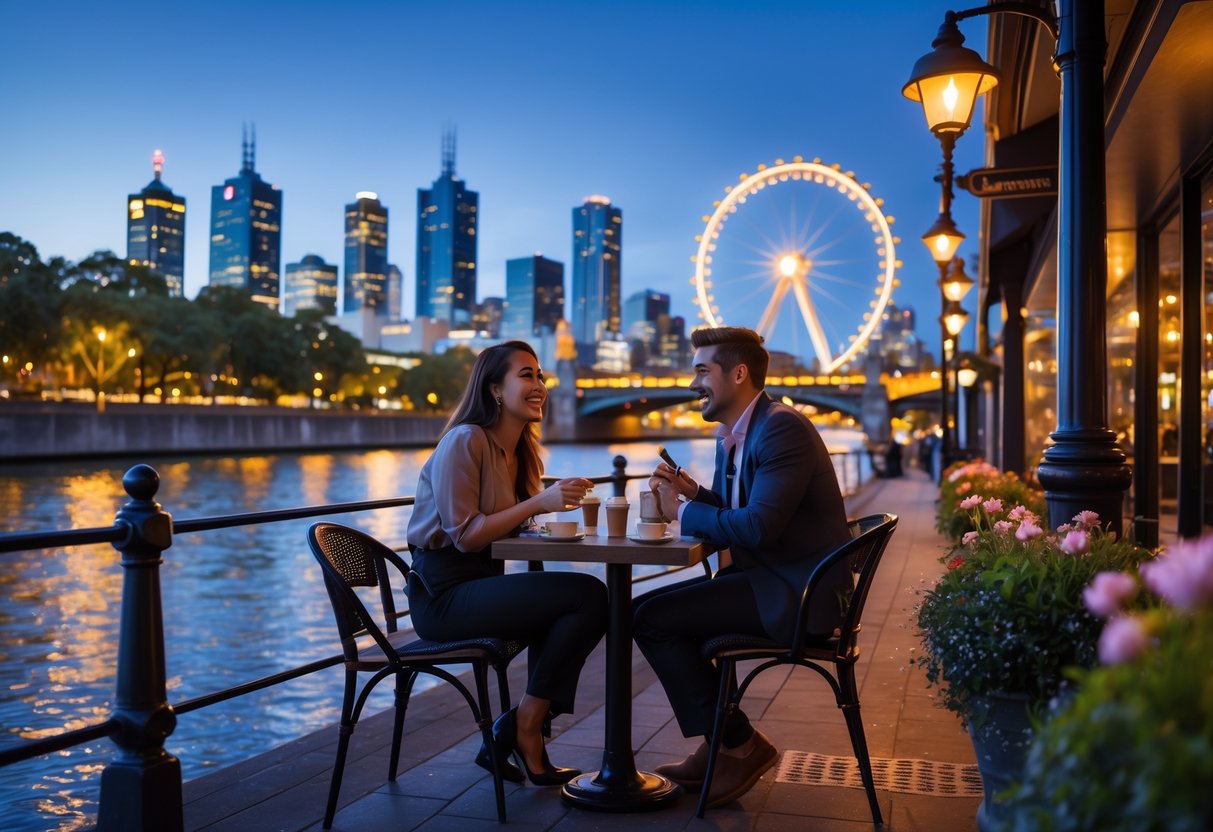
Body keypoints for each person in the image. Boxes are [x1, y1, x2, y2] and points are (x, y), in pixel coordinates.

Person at [635, 326, 852, 808]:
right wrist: (696, 496)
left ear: (738, 373)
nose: (693, 384)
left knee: (650, 618)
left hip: (798, 593)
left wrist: (682, 513)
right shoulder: (734, 434)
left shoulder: (781, 427)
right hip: (770, 579)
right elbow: (739, 513)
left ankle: (738, 744)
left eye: (701, 371)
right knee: (657, 611)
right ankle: (721, 742)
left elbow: (757, 528)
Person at [406, 340, 607, 786]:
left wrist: (549, 515)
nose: (540, 385)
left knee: (585, 601)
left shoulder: (522, 452)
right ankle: (525, 729)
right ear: (495, 389)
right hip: (444, 596)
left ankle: (522, 725)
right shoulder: (465, 440)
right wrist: (541, 501)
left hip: (482, 584)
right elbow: (465, 536)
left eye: (541, 376)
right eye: (526, 375)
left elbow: (514, 532)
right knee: (587, 597)